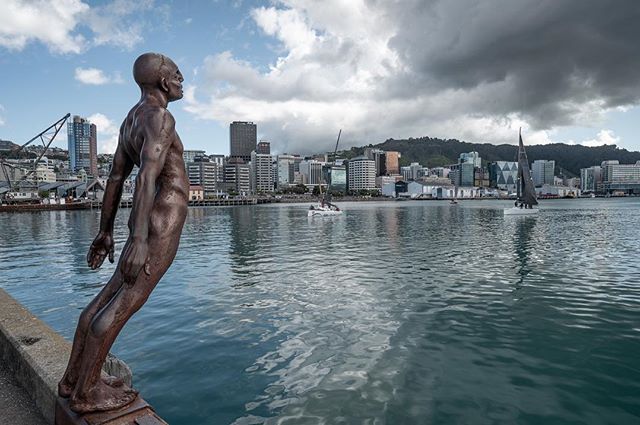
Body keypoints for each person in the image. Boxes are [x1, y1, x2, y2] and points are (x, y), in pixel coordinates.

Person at [58, 53, 189, 413]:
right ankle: (87, 393)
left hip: (144, 222)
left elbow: (116, 177)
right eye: (177, 75)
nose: (182, 80)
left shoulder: (132, 119)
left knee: (107, 299)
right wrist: (141, 241)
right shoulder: (161, 118)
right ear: (163, 82)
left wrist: (105, 232)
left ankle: (74, 380)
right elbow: (146, 176)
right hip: (161, 220)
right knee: (125, 304)